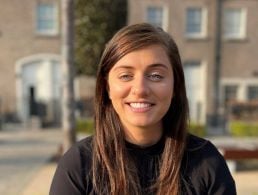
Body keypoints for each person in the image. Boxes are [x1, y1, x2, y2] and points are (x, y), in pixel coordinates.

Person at [50, 23, 236, 195]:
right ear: (107, 87)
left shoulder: (206, 162)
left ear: (175, 86)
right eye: (125, 76)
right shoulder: (78, 165)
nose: (140, 89)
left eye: (156, 76)